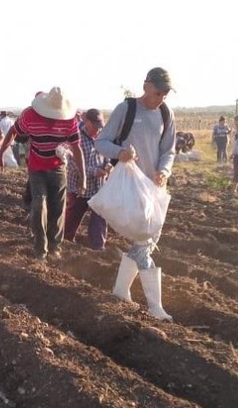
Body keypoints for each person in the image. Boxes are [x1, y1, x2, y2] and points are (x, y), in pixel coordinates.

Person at [95, 67, 176, 321]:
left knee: (146, 241)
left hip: (154, 189)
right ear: (146, 86)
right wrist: (120, 152)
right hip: (130, 188)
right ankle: (155, 307)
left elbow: (169, 150)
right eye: (158, 91)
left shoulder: (165, 113)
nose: (162, 97)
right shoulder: (126, 109)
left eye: (166, 93)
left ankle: (120, 291)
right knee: (144, 241)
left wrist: (163, 171)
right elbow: (101, 142)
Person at [0, 87, 87, 260]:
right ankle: (40, 250)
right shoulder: (30, 115)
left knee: (58, 209)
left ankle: (55, 247)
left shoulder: (69, 119)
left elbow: (76, 148)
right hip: (37, 168)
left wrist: (83, 178)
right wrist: (0, 155)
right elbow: (13, 132)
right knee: (39, 205)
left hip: (58, 168)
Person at [64, 109, 111, 250]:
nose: (97, 129)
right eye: (94, 125)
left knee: (100, 218)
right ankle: (66, 242)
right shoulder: (75, 136)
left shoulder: (102, 137)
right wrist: (93, 171)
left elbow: (107, 155)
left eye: (99, 126)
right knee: (73, 218)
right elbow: (71, 163)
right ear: (86, 122)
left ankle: (98, 247)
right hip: (80, 188)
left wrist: (108, 165)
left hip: (99, 187)